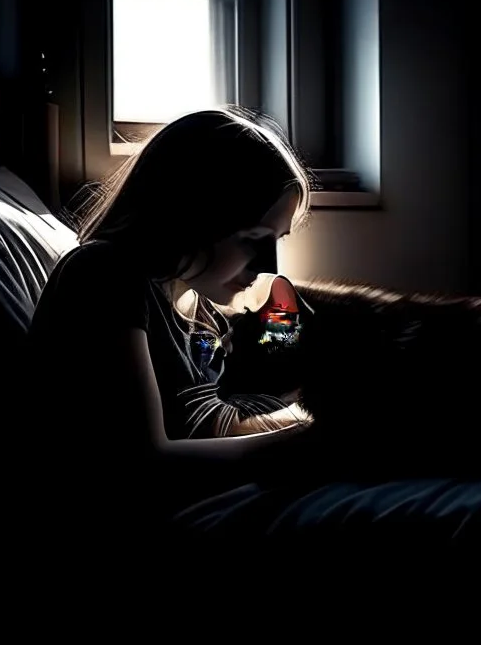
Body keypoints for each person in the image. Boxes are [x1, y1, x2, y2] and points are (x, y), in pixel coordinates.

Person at [21, 107, 321, 541]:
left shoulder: (202, 309)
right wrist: (303, 450)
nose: (267, 267)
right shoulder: (103, 276)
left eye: (276, 241)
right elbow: (142, 464)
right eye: (252, 240)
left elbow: (218, 427)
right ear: (193, 216)